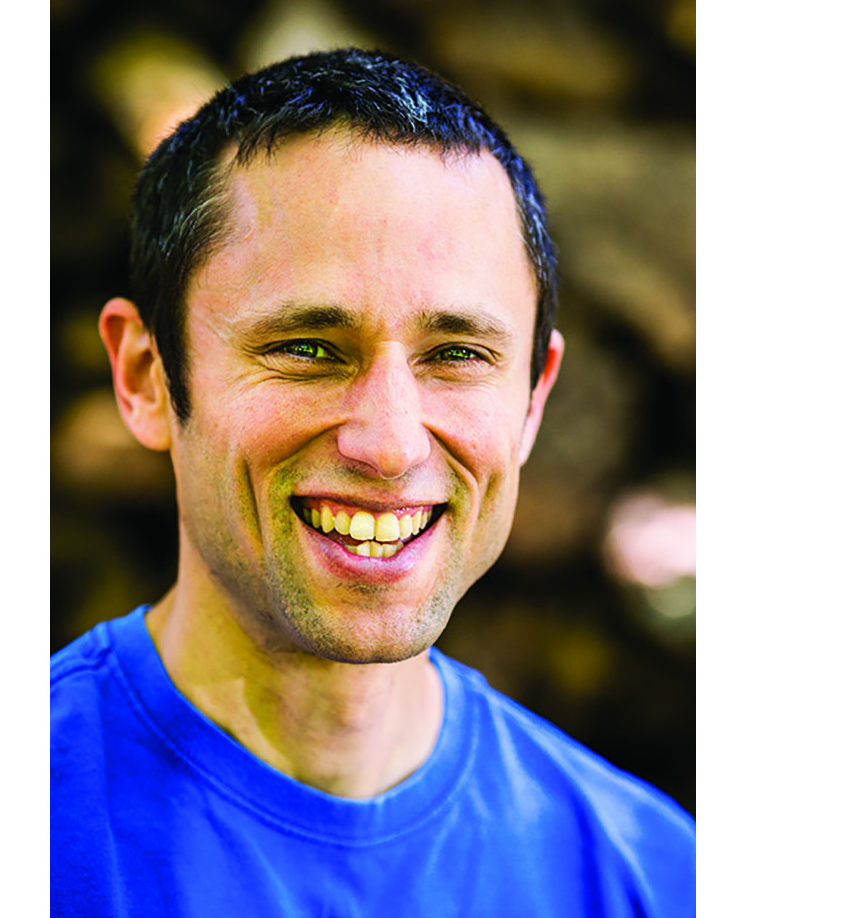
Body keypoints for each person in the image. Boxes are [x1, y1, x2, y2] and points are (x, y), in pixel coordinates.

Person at [51, 47, 694, 916]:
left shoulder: (654, 878)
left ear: (533, 400)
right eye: (308, 349)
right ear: (146, 378)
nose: (390, 444)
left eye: (457, 355)